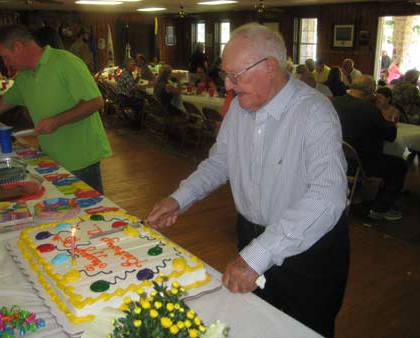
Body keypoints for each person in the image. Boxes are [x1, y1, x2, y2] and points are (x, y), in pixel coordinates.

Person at [147, 23, 349, 338]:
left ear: (270, 67)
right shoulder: (242, 107)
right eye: (225, 75)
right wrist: (180, 198)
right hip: (252, 235)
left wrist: (257, 255)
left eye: (235, 76)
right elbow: (220, 162)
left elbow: (328, 198)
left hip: (309, 248)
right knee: (257, 324)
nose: (227, 85)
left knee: (308, 329)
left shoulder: (314, 113)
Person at [0, 24, 112, 193]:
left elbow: (95, 102)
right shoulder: (24, 76)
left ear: (18, 47)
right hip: (50, 156)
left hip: (82, 158)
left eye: (6, 57)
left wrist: (56, 120)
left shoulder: (65, 61)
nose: (6, 64)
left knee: (90, 211)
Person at [332, 75, 407, 221]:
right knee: (400, 166)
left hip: (336, 158)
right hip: (363, 163)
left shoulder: (335, 102)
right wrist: (386, 117)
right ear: (370, 92)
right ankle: (380, 209)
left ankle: (356, 193)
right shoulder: (369, 109)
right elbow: (390, 135)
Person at [117, 57, 144, 125]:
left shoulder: (126, 72)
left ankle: (135, 120)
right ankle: (136, 123)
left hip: (122, 98)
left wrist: (138, 77)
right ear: (127, 65)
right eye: (133, 64)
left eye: (135, 64)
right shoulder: (127, 75)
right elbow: (134, 88)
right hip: (125, 99)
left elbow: (132, 84)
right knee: (142, 102)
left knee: (140, 100)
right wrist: (147, 86)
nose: (135, 66)